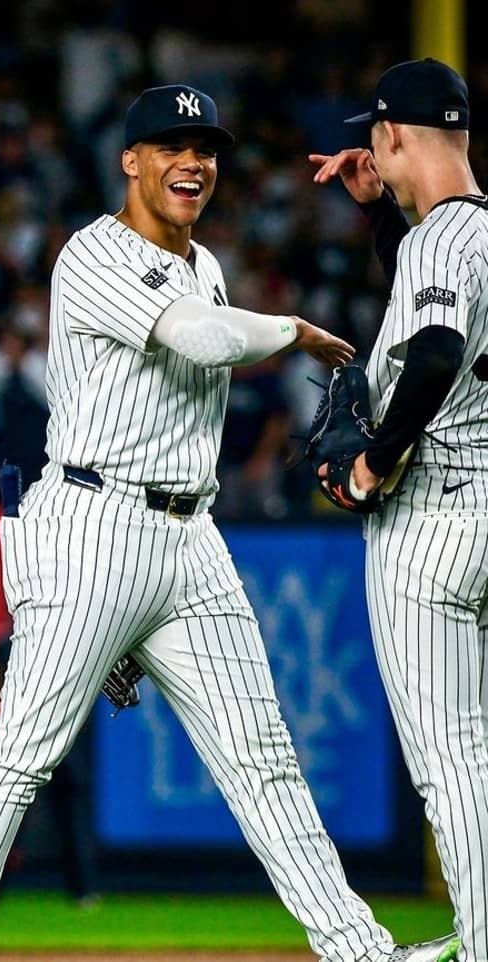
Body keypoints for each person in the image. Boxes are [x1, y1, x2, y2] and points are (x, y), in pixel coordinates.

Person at [0, 84, 458, 962]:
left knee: (264, 762)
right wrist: (294, 331)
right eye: (171, 145)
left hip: (189, 538)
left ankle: (361, 952)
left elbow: (206, 322)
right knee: (23, 756)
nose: (193, 162)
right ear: (130, 161)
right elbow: (200, 338)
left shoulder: (205, 265)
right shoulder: (92, 253)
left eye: (204, 148)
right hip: (92, 523)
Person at [310, 58, 488, 962]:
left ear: (389, 136)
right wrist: (383, 209)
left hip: (436, 518)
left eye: (372, 135)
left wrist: (376, 463)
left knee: (453, 758)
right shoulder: (472, 234)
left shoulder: (439, 242)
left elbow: (434, 354)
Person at [0, 624, 98, 907]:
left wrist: (12, 708)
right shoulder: (69, 633)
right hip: (61, 738)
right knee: (69, 818)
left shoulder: (6, 641)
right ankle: (83, 894)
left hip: (24, 740)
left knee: (7, 817)